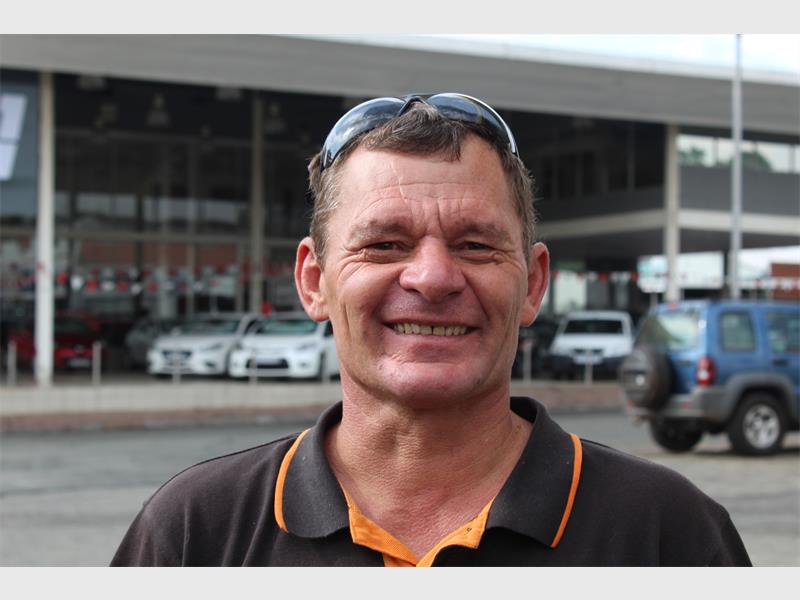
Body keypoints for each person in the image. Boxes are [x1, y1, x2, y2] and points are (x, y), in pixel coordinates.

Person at [111, 93, 751, 566]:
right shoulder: (195, 532)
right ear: (314, 282)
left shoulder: (670, 534)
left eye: (475, 245)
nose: (434, 278)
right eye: (384, 244)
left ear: (532, 284)